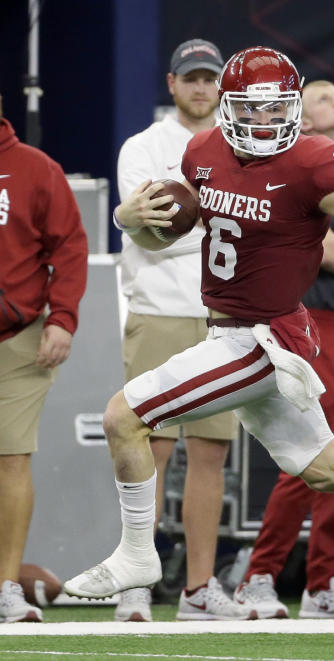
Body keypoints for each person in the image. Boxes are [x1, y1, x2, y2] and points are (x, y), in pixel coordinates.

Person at [63, 46, 334, 609]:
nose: (264, 122)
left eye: (276, 110)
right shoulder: (201, 152)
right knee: (327, 468)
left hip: (263, 339)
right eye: (251, 109)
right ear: (228, 107)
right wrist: (129, 218)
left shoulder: (314, 161)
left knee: (123, 416)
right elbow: (162, 235)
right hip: (231, 330)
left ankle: (136, 555)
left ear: (293, 110)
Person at [232, 80, 334, 620]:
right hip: (318, 325)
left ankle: (325, 582)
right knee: (306, 459)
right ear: (300, 120)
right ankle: (259, 576)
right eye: (324, 97)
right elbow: (331, 255)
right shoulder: (290, 175)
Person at [113, 38, 249, 623]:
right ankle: (135, 582)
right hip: (162, 308)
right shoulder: (144, 147)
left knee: (212, 452)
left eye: (209, 78)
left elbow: (250, 221)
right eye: (190, 78)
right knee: (151, 445)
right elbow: (147, 227)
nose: (201, 88)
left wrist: (185, 227)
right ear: (171, 84)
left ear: (222, 85)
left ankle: (197, 588)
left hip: (223, 311)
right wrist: (191, 228)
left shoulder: (244, 144)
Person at [0, 93, 89, 623]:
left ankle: (6, 585)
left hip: (19, 336)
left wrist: (63, 318)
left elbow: (71, 247)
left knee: (11, 457)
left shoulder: (36, 169)